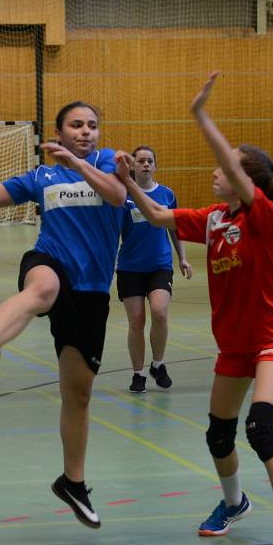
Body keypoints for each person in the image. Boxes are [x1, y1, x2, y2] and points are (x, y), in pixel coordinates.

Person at [118, 72, 273, 545]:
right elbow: (158, 215)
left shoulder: (261, 216)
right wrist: (127, 182)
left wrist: (201, 115)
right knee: (218, 436)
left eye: (225, 168)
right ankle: (234, 503)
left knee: (260, 429)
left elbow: (230, 165)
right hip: (233, 346)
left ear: (244, 179)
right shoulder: (213, 219)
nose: (215, 172)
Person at [0, 101, 127, 529]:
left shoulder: (107, 163)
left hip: (91, 291)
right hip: (50, 262)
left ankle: (73, 482)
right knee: (42, 288)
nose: (86, 131)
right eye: (76, 125)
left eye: (92, 125)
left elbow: (117, 195)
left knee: (78, 396)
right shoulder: (42, 177)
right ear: (59, 131)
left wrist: (77, 163)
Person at [116, 145, 193, 393]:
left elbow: (175, 228)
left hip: (160, 265)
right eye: (141, 161)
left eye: (150, 160)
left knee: (159, 313)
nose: (146, 164)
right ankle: (138, 373)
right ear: (133, 166)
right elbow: (113, 232)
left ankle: (158, 365)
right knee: (136, 321)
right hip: (130, 267)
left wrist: (183, 258)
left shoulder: (167, 194)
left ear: (156, 165)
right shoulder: (123, 197)